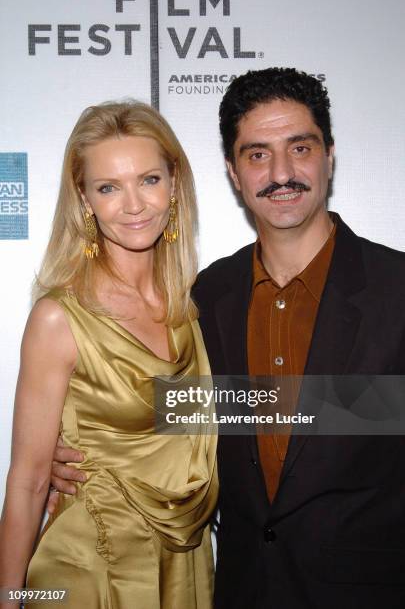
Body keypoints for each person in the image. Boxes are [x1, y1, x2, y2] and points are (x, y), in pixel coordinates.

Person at [50, 68, 405, 608]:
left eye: (300, 147)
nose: (281, 172)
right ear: (234, 173)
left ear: (329, 155)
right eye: (257, 154)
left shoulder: (396, 288)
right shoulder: (201, 297)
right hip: (238, 589)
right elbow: (183, 413)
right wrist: (92, 449)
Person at [0, 101, 218, 609]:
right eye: (108, 187)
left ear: (174, 185)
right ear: (84, 199)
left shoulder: (197, 305)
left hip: (185, 562)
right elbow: (29, 480)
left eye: (148, 179)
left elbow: (224, 415)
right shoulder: (59, 317)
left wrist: (371, 409)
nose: (134, 204)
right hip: (90, 570)